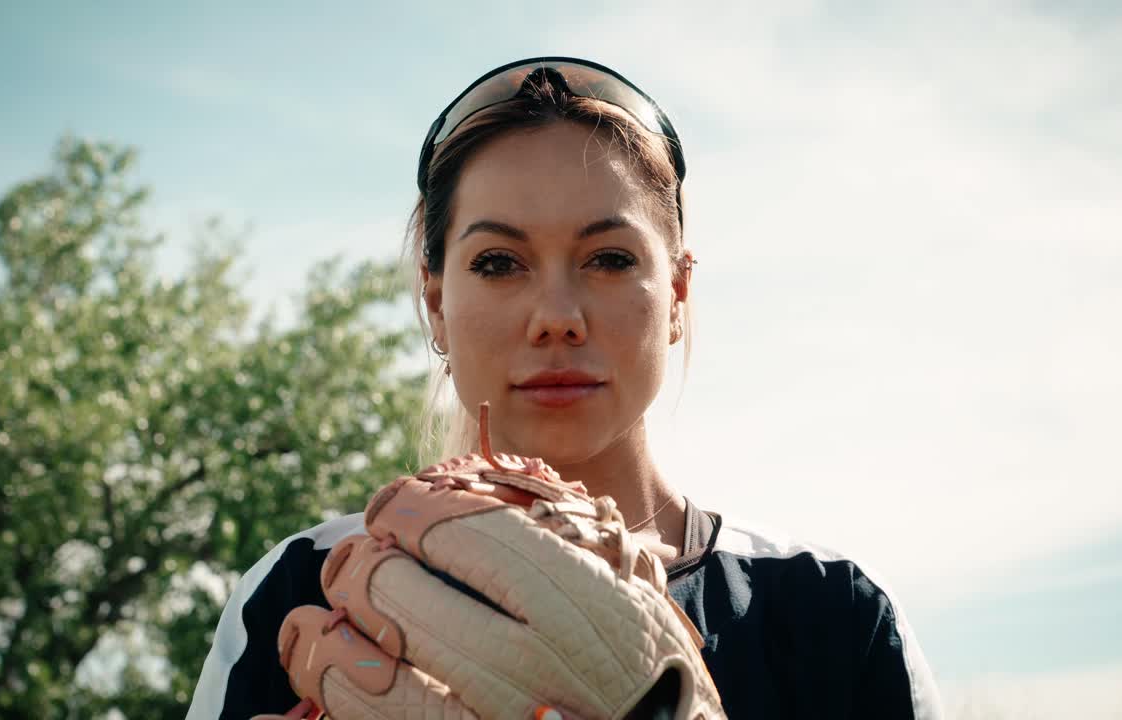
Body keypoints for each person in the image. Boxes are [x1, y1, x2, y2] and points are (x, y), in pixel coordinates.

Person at [186, 57, 944, 719]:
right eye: (498, 263)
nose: (556, 317)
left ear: (677, 296)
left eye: (610, 259)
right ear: (436, 304)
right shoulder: (303, 589)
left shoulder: (834, 611)